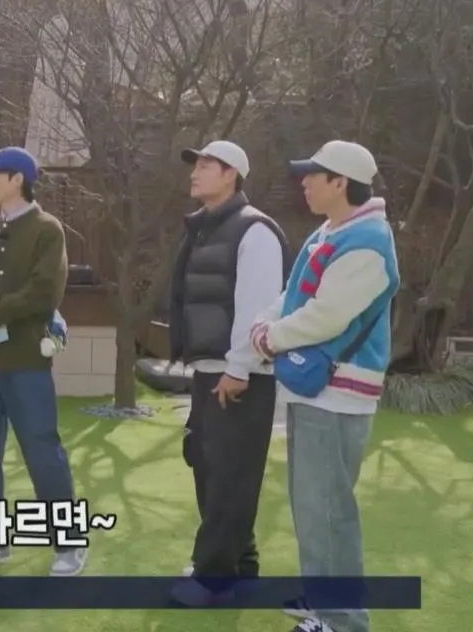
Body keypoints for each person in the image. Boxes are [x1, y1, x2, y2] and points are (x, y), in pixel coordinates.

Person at [250, 141, 398, 632]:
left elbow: (327, 315)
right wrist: (266, 323)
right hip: (320, 387)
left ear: (341, 182)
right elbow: (294, 295)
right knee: (313, 505)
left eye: (314, 174)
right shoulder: (334, 231)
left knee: (328, 510)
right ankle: (322, 598)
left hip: (338, 391)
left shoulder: (367, 241)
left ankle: (342, 619)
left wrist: (270, 336)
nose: (305, 182)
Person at [0, 146, 86, 576]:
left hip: (26, 362)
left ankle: (68, 544)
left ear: (17, 180)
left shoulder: (48, 230)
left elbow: (45, 290)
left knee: (42, 451)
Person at [166, 141, 290, 604]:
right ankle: (240, 565)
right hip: (211, 370)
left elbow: (258, 308)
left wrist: (240, 367)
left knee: (229, 477)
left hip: (240, 375)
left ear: (231, 174)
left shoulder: (254, 231)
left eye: (205, 165)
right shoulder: (203, 229)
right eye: (195, 164)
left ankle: (214, 578)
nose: (194, 172)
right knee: (208, 466)